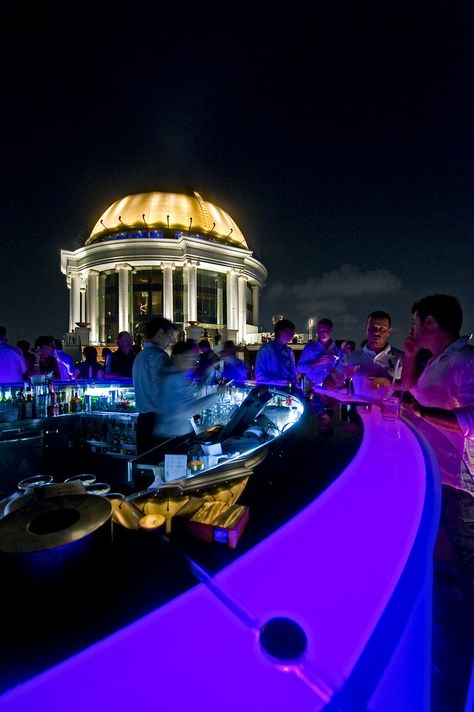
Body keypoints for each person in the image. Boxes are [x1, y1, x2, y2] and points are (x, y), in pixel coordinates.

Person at [402, 294, 474, 495]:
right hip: (437, 472)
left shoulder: (466, 360)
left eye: (414, 322)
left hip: (458, 484)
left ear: (430, 322)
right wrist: (410, 355)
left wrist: (422, 413)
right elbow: (412, 387)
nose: (412, 328)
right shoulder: (438, 361)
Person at [324, 311, 403, 398]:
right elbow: (333, 379)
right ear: (366, 329)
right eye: (372, 328)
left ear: (389, 331)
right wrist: (328, 382)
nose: (376, 332)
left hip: (390, 410)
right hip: (358, 409)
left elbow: (410, 389)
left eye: (382, 329)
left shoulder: (400, 358)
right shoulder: (351, 358)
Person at [153, 341, 219, 439]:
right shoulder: (173, 379)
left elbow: (193, 391)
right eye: (187, 359)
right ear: (177, 358)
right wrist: (217, 395)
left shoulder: (173, 375)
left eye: (193, 360)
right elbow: (187, 408)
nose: (191, 364)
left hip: (175, 433)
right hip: (172, 435)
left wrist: (208, 373)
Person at [132, 316, 176, 454]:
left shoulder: (140, 356)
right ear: (160, 332)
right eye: (169, 336)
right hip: (157, 421)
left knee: (143, 464)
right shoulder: (159, 356)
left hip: (143, 420)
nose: (170, 341)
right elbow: (164, 391)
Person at [297, 318, 343, 392]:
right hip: (312, 389)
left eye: (324, 330)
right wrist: (316, 363)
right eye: (319, 330)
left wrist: (334, 379)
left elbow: (342, 370)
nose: (320, 333)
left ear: (331, 330)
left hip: (331, 389)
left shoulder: (337, 350)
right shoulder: (310, 348)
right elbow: (300, 368)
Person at [254, 318, 298, 387]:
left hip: (288, 391)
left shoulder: (289, 351)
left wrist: (296, 386)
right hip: (271, 391)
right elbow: (260, 376)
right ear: (281, 332)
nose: (292, 335)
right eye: (290, 332)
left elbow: (294, 374)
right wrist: (282, 382)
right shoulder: (265, 350)